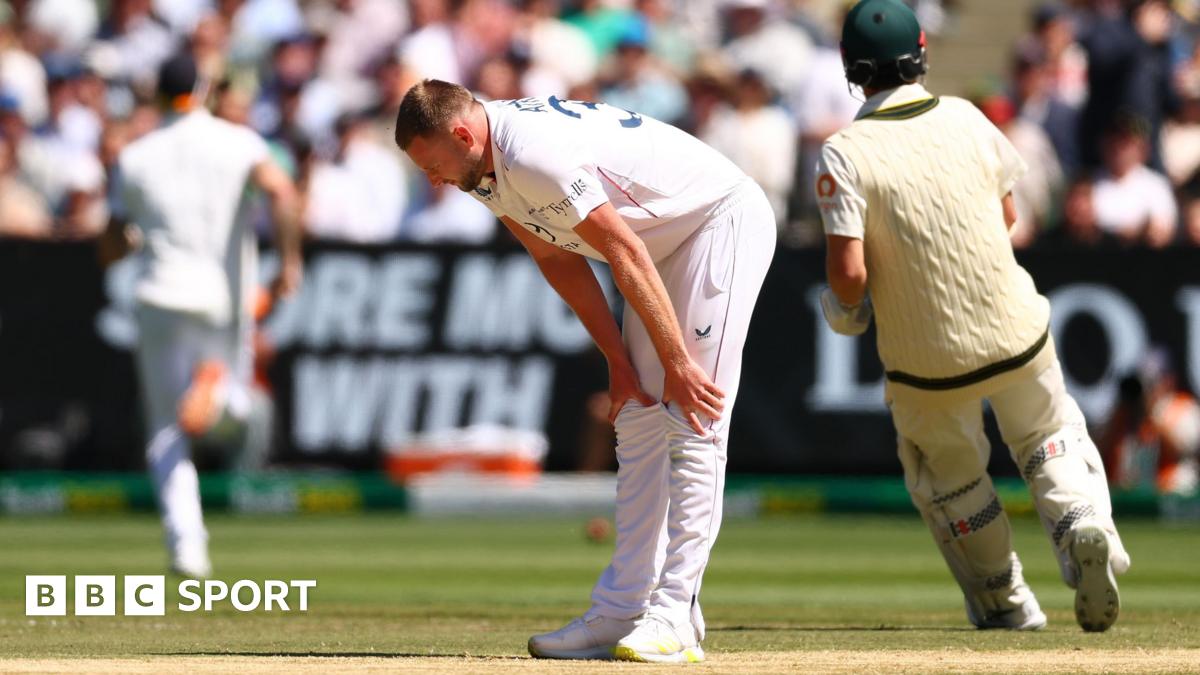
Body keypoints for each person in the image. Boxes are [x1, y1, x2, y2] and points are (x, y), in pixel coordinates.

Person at [394, 80, 775, 662]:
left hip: (715, 222)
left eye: (434, 164)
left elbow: (620, 249)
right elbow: (557, 259)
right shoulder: (480, 166)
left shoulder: (530, 154)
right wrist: (619, 365)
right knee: (637, 418)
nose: (433, 179)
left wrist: (674, 359)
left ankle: (675, 615)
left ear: (462, 135)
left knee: (693, 413)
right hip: (657, 247)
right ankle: (622, 609)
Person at [815, 0, 1130, 633]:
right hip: (1014, 328)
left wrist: (847, 310)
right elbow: (1009, 216)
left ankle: (1005, 601)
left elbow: (849, 273)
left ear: (854, 70)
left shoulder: (844, 152)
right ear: (922, 54)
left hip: (924, 357)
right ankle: (1081, 527)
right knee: (1048, 437)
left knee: (951, 479)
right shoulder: (967, 117)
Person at [98, 53, 302, 578]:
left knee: (166, 431)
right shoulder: (238, 143)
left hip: (160, 297)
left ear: (158, 95)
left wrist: (130, 237)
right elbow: (281, 190)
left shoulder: (135, 156)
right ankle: (218, 402)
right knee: (237, 410)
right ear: (206, 88)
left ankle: (188, 549)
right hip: (221, 302)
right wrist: (290, 261)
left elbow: (110, 246)